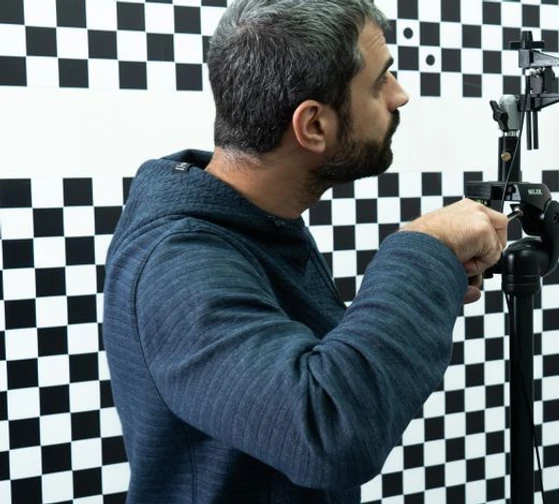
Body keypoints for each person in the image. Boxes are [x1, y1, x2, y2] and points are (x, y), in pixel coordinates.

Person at [101, 1, 508, 502]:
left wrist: (430, 280)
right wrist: (425, 251)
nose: (400, 96)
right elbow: (328, 432)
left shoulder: (255, 223)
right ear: (313, 125)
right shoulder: (179, 263)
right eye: (381, 81)